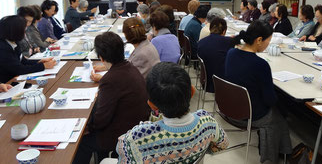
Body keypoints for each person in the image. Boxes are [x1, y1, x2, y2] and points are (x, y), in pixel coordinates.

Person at [116, 62, 229, 163]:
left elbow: (124, 154)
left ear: (152, 105)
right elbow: (223, 144)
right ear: (192, 92)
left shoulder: (138, 138)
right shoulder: (207, 122)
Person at [73, 32, 150, 164]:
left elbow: (100, 120)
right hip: (137, 126)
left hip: (123, 134)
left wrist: (88, 127)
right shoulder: (130, 67)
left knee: (81, 142)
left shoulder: (110, 79)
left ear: (101, 58)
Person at [225, 20, 292, 163]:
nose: (269, 45)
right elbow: (269, 100)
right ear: (259, 40)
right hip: (248, 115)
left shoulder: (231, 53)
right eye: (269, 41)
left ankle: (283, 153)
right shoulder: (260, 64)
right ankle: (273, 158)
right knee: (277, 118)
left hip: (229, 109)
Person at [92, 18, 160, 80]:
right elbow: (129, 65)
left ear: (126, 35)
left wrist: (102, 78)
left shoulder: (141, 54)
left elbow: (128, 80)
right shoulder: (145, 44)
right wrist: (106, 67)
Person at [0, 15, 56, 83]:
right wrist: (43, 66)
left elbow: (23, 61)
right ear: (15, 31)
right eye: (24, 29)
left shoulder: (14, 42)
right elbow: (19, 69)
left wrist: (40, 61)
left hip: (16, 78)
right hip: (8, 83)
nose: (25, 32)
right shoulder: (3, 48)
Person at [198, 17, 241, 92]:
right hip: (221, 82)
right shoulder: (228, 41)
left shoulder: (201, 42)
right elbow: (238, 40)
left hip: (205, 80)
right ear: (224, 31)